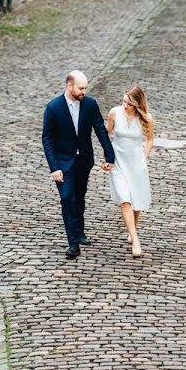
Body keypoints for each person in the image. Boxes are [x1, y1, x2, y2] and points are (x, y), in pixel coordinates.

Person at [42, 70, 115, 258]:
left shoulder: (90, 104)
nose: (84, 91)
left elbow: (99, 128)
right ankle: (73, 243)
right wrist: (54, 167)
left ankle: (80, 232)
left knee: (80, 195)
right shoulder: (53, 108)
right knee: (67, 198)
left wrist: (110, 156)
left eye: (85, 88)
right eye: (81, 88)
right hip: (63, 163)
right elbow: (47, 139)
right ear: (69, 86)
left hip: (83, 160)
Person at [106, 85, 153, 258]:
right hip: (118, 162)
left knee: (136, 199)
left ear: (137, 104)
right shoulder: (114, 113)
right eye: (124, 101)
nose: (125, 105)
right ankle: (135, 239)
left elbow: (149, 140)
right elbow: (107, 135)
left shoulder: (146, 118)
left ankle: (132, 228)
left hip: (136, 162)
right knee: (125, 200)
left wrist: (144, 158)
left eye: (129, 103)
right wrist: (108, 159)